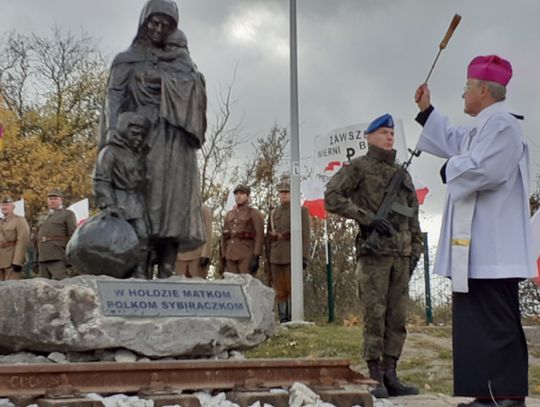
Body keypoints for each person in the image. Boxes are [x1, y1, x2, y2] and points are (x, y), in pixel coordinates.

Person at [414, 55, 533, 407]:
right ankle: (487, 392)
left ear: (483, 90)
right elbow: (452, 138)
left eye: (467, 88)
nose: (462, 95)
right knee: (477, 325)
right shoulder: (483, 127)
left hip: (496, 247)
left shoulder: (504, 128)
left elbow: (486, 170)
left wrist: (450, 168)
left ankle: (507, 395)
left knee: (496, 323)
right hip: (479, 248)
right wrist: (426, 109)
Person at [100, 0, 207, 279]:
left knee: (174, 204)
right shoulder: (127, 59)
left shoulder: (182, 61)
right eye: (154, 22)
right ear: (144, 22)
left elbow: (196, 88)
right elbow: (113, 97)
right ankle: (138, 267)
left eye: (166, 24)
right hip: (141, 140)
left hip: (177, 141)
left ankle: (168, 268)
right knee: (144, 204)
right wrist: (112, 133)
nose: (159, 29)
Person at [325, 113, 423, 398]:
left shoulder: (402, 174)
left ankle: (392, 373)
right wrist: (366, 218)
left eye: (391, 133)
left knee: (397, 317)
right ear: (369, 137)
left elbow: (413, 215)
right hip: (375, 254)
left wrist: (415, 250)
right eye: (382, 133)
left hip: (401, 255)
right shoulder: (357, 168)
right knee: (374, 315)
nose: (389, 137)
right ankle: (375, 375)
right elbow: (332, 196)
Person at [94, 111, 151, 279]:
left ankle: (139, 272)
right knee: (117, 241)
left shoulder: (139, 154)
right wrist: (109, 204)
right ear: (124, 130)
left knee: (143, 236)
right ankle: (117, 272)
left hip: (135, 201)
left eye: (141, 135)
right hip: (117, 199)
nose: (138, 138)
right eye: (134, 133)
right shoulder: (109, 152)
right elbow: (101, 179)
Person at [265, 180, 310, 322]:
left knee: (293, 287)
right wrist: (267, 257)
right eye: (281, 192)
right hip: (276, 255)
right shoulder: (273, 213)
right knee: (279, 287)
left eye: (286, 192)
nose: (283, 195)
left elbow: (305, 235)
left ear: (292, 193)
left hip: (292, 253)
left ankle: (293, 316)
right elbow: (268, 236)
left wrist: (304, 256)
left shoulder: (300, 210)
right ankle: (283, 318)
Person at [220, 184, 264, 275]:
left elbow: (259, 235)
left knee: (246, 284)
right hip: (230, 253)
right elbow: (224, 236)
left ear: (247, 196)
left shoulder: (254, 213)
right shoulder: (229, 214)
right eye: (236, 194)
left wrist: (256, 255)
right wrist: (223, 255)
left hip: (246, 253)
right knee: (231, 284)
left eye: (242, 193)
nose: (238, 196)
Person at [36, 189, 77, 280]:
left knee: (62, 282)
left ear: (61, 200)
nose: (52, 200)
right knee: (43, 286)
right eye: (50, 199)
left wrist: (69, 256)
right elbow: (37, 236)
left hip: (58, 254)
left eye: (55, 198)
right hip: (43, 255)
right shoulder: (43, 216)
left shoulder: (67, 214)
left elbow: (72, 235)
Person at [176, 203, 213, 279]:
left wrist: (206, 254)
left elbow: (208, 232)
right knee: (179, 287)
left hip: (197, 256)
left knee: (197, 286)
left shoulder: (203, 209)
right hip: (179, 256)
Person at [0, 196, 30, 281]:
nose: (4, 207)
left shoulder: (19, 220)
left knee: (11, 289)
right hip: (1, 260)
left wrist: (18, 261)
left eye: (7, 205)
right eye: (2, 205)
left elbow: (23, 241)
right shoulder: (1, 222)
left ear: (13, 207)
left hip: (11, 260)